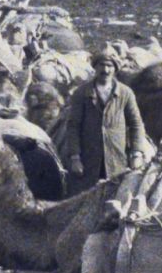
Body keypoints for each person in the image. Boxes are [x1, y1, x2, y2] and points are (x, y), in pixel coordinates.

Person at [57, 50, 152, 186]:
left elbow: (136, 124)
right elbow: (73, 126)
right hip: (88, 159)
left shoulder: (125, 93)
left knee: (114, 194)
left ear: (115, 69)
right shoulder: (82, 93)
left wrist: (136, 152)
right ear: (95, 67)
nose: (106, 70)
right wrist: (75, 157)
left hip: (116, 159)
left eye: (110, 66)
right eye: (102, 65)